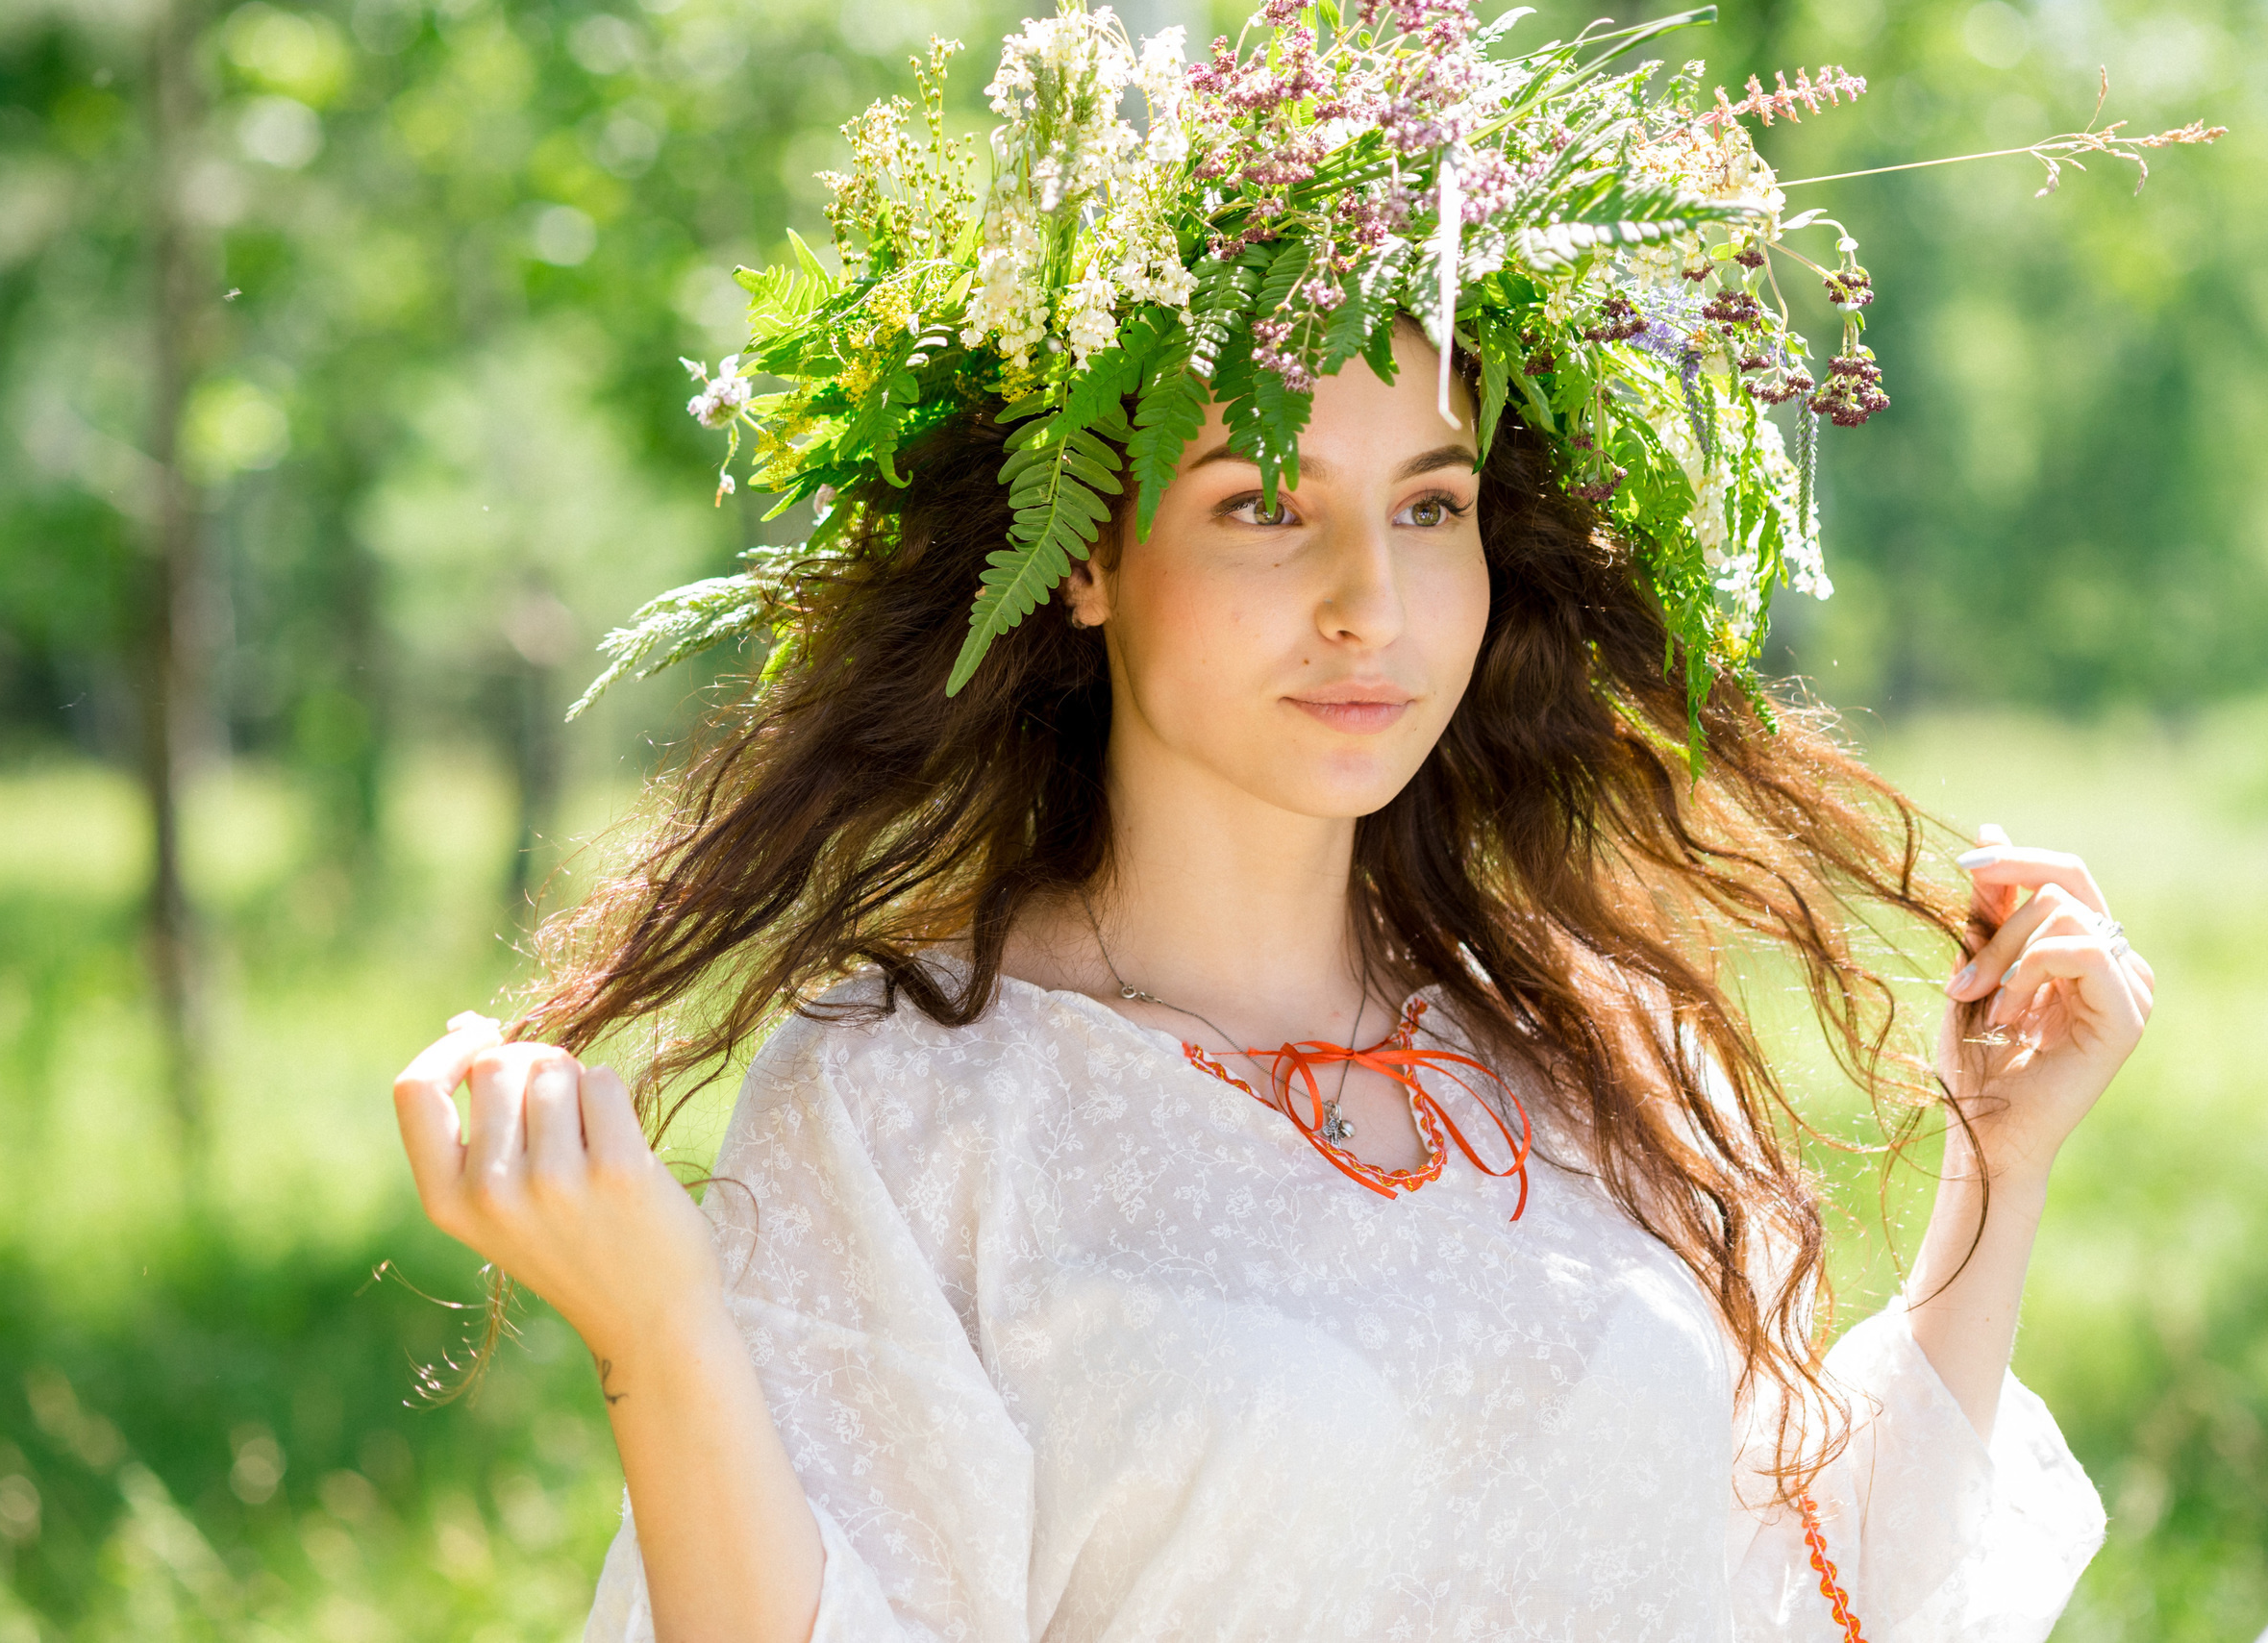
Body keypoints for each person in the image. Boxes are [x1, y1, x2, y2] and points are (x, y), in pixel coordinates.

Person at [390, 8, 2188, 1637]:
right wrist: (663, 1338)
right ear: (1085, 551)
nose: (1371, 607)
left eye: (1430, 508)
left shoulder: (1599, 1057)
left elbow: (1817, 1601)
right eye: (1267, 504)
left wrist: (1996, 1169)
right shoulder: (905, 1107)